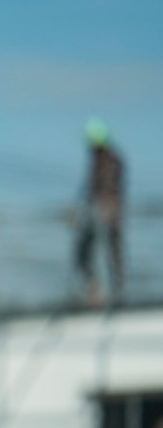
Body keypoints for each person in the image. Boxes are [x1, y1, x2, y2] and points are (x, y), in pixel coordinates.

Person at [77, 117, 127, 306]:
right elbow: (89, 191)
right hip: (96, 214)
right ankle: (94, 289)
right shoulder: (97, 163)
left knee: (111, 253)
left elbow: (111, 187)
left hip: (109, 216)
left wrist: (108, 209)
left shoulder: (111, 161)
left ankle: (116, 294)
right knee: (85, 252)